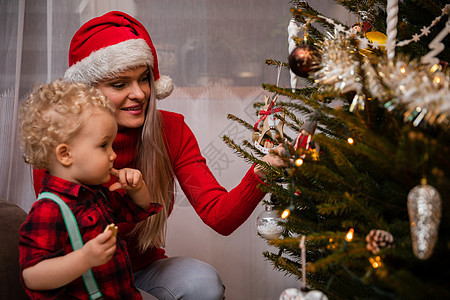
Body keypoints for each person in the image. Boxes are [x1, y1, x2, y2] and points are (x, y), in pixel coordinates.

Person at [33, 11, 286, 300]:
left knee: (203, 282)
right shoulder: (59, 142)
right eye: (120, 84)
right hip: (84, 276)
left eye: (144, 79)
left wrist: (261, 172)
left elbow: (220, 216)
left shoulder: (172, 130)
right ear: (88, 91)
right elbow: (55, 236)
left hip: (142, 268)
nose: (139, 93)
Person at [20, 80, 162, 299]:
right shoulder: (48, 209)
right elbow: (32, 275)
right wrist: (85, 259)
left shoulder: (95, 194)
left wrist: (137, 189)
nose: (113, 155)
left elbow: (138, 210)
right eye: (104, 145)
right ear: (65, 155)